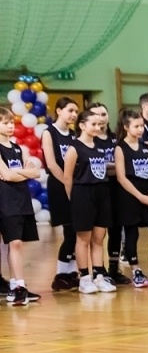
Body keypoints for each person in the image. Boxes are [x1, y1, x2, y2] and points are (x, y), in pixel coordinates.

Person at [111, 109, 148, 287]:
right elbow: (121, 177)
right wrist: (139, 196)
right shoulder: (120, 148)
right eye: (136, 126)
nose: (140, 129)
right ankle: (136, 270)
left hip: (147, 196)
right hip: (130, 197)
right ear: (126, 127)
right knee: (132, 235)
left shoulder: (147, 147)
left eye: (142, 126)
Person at [63, 103, 116, 294]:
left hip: (101, 192)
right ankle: (84, 278)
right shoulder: (74, 148)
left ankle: (99, 276)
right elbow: (67, 177)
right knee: (83, 238)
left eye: (99, 125)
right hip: (82, 193)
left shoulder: (101, 146)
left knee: (99, 238)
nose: (97, 127)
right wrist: (74, 199)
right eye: (93, 124)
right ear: (82, 126)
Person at [0, 108, 43, 303]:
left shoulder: (18, 148)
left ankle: (19, 285)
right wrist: (24, 173)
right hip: (5, 200)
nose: (10, 126)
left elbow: (35, 173)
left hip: (21, 198)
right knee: (13, 242)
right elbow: (7, 175)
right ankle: (17, 286)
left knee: (18, 243)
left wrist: (21, 173)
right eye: (5, 122)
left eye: (11, 122)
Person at [42, 98, 81, 291]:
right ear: (59, 111)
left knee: (77, 231)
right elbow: (51, 163)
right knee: (70, 230)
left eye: (76, 111)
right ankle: (60, 275)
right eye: (70, 110)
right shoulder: (49, 133)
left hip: (75, 185)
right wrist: (67, 181)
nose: (74, 114)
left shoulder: (74, 135)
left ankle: (71, 272)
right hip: (59, 185)